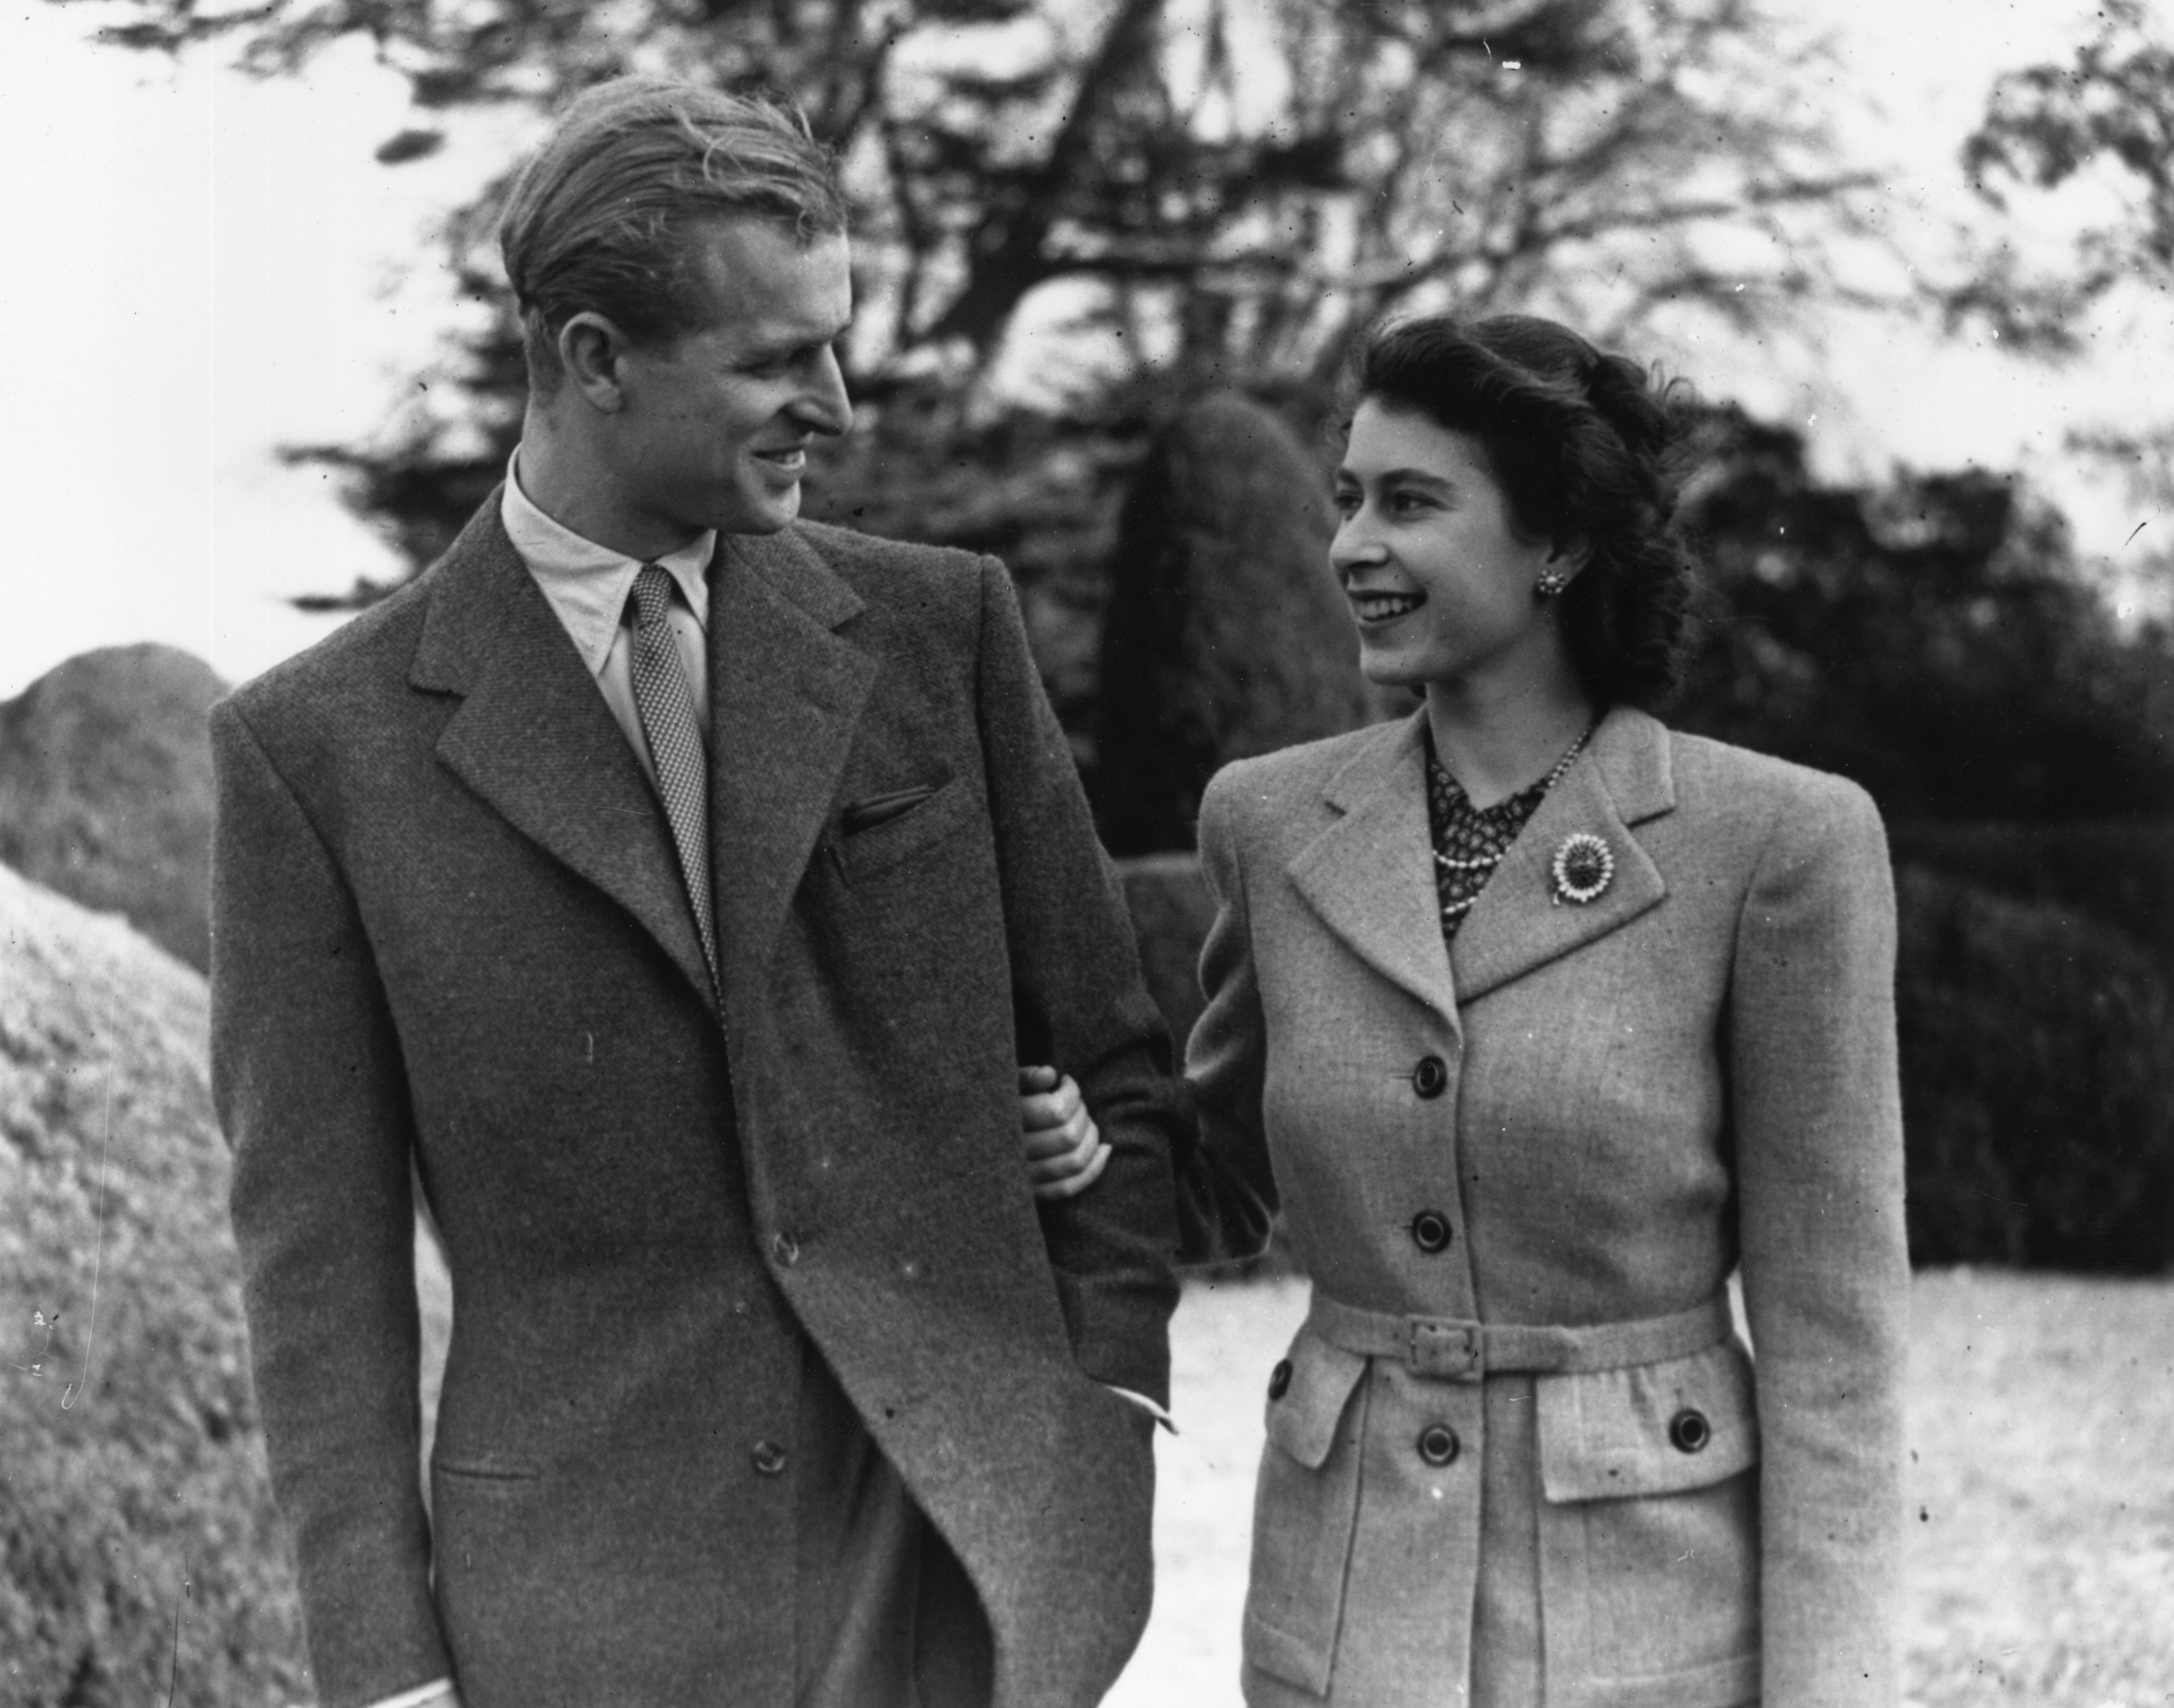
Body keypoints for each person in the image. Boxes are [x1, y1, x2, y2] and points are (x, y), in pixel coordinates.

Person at [210, 76, 1181, 1708]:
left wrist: (1109, 1407)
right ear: (593, 359)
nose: (842, 403)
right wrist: (387, 1674)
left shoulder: (943, 635)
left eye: (839, 340)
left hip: (959, 1586)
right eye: (777, 360)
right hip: (583, 1623)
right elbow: (318, 1270)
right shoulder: (317, 752)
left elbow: (1121, 1071)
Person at [1043, 313, 1909, 1705]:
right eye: (1345, 501)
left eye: (1409, 502)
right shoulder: (1267, 822)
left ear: (1557, 539)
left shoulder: (1777, 846)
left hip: (1651, 1625)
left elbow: (1836, 1346)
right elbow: (1216, 1183)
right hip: (1343, 1611)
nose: (1349, 546)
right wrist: (1089, 1153)